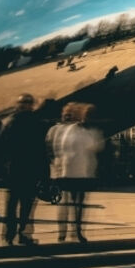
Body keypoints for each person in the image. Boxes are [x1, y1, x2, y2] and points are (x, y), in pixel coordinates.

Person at [47, 103, 103, 242]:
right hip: (68, 171)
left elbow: (93, 148)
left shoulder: (86, 131)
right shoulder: (65, 130)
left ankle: (76, 231)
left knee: (78, 203)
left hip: (82, 172)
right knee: (67, 202)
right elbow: (58, 148)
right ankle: (63, 231)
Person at [0, 93, 46, 245]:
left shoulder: (8, 122)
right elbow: (41, 149)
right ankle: (23, 234)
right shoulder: (36, 122)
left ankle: (8, 235)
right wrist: (44, 171)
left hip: (14, 168)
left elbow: (1, 146)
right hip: (29, 168)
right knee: (26, 204)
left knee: (12, 203)